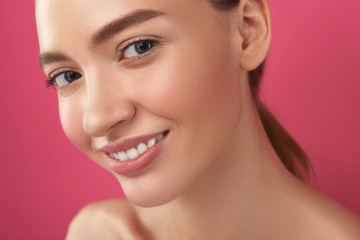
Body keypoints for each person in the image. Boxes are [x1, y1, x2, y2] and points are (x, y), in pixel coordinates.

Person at [36, 0, 360, 239]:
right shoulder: (97, 234)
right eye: (66, 76)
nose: (96, 119)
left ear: (247, 31)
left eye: (139, 47)